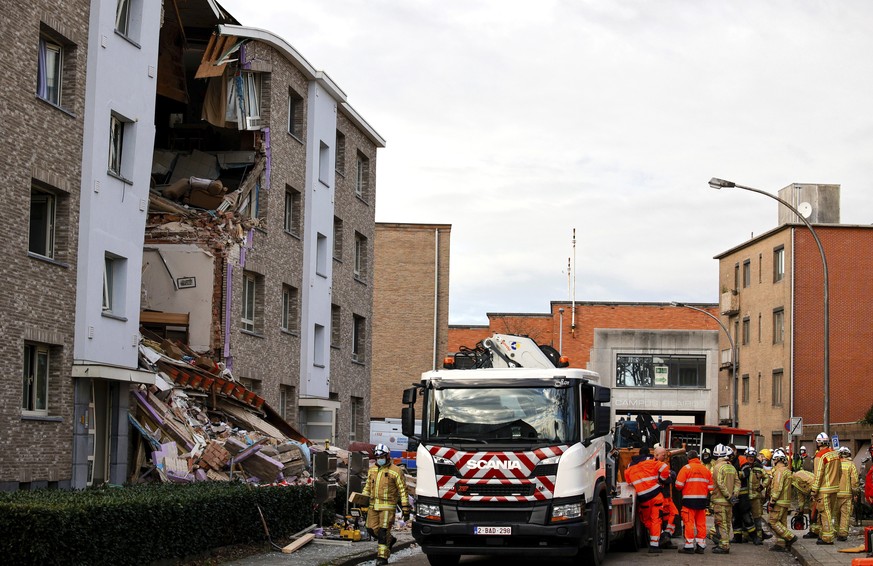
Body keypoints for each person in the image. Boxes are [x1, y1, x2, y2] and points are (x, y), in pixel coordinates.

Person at [361, 443, 411, 565]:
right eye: (377, 457)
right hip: (373, 506)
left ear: (387, 456)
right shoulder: (372, 469)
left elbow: (403, 491)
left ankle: (382, 558)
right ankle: (390, 539)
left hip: (388, 507)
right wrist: (362, 501)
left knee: (383, 531)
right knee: (371, 529)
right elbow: (368, 487)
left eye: (381, 457)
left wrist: (405, 508)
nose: (380, 459)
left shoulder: (396, 471)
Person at [625, 446, 670, 553]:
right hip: (655, 496)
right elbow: (664, 467)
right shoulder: (651, 462)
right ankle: (655, 544)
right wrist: (662, 480)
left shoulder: (630, 468)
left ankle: (659, 536)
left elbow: (628, 481)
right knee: (656, 519)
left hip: (643, 498)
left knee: (646, 520)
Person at [674, 449, 713, 554]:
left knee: (689, 523)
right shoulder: (705, 469)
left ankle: (689, 546)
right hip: (702, 501)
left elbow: (678, 485)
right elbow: (711, 487)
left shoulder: (686, 468)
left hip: (688, 501)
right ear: (698, 458)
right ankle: (701, 545)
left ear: (688, 458)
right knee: (701, 524)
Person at [810, 431, 842, 545]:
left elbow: (818, 474)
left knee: (825, 513)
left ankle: (827, 538)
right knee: (831, 513)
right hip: (834, 488)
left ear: (818, 443)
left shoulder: (820, 456)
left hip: (824, 490)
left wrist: (814, 490)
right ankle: (827, 534)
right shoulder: (835, 454)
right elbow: (840, 471)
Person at [709, 444, 740, 554]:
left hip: (720, 500)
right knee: (727, 523)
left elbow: (720, 483)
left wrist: (728, 496)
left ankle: (724, 546)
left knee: (721, 523)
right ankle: (723, 543)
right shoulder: (731, 466)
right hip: (730, 502)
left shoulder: (717, 467)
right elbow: (737, 482)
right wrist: (734, 495)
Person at [768, 449, 799, 552]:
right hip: (785, 501)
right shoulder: (787, 471)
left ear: (776, 460)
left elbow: (777, 487)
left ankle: (790, 537)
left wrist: (772, 501)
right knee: (782, 523)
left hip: (779, 502)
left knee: (773, 522)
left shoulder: (779, 472)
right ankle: (780, 544)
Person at [653, 446, 678, 548]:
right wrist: (670, 475)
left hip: (666, 497)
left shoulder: (663, 465)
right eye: (663, 454)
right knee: (661, 519)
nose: (665, 456)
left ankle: (666, 536)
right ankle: (663, 538)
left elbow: (670, 475)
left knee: (673, 514)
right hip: (661, 496)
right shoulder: (655, 465)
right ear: (656, 455)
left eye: (665, 454)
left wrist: (670, 475)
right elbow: (667, 479)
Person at [746, 447, 771, 544]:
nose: (751, 459)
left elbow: (767, 478)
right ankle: (746, 536)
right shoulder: (744, 467)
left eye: (752, 457)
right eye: (749, 457)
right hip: (745, 497)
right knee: (746, 517)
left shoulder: (758, 469)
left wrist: (762, 486)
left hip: (756, 497)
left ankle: (759, 537)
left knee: (757, 517)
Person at [835, 446, 860, 541]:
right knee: (845, 514)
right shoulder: (851, 465)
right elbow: (854, 480)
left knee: (836, 514)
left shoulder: (836, 465)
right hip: (847, 494)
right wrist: (855, 492)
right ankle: (842, 534)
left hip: (835, 493)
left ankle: (836, 532)